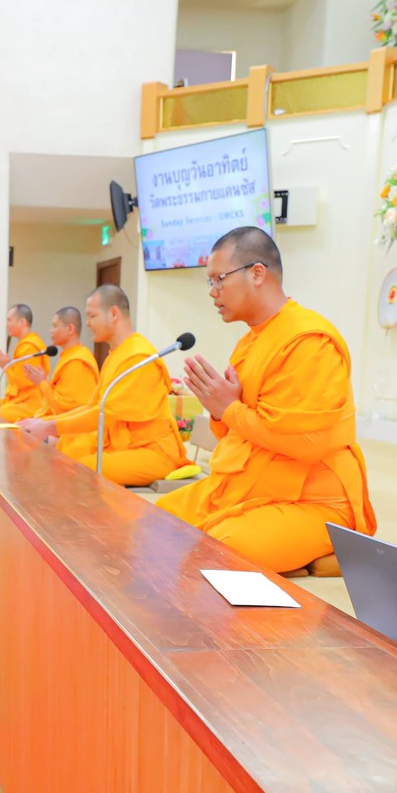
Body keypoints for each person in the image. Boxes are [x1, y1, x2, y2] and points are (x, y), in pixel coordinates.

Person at [159, 228, 377, 573]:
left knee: (217, 551)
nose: (213, 293)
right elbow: (236, 438)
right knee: (155, 523)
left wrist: (228, 408)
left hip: (311, 499)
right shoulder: (249, 343)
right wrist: (222, 411)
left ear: (257, 273)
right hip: (248, 487)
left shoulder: (309, 340)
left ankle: (332, 544)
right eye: (209, 282)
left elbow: (302, 443)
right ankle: (290, 555)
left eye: (219, 280)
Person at [18, 286, 187, 487]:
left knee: (77, 468)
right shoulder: (116, 354)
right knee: (68, 449)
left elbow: (105, 414)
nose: (87, 323)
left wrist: (48, 427)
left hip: (152, 451)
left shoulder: (139, 357)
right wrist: (44, 422)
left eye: (92, 316)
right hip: (120, 445)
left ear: (114, 313)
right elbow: (92, 406)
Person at [25, 305, 99, 415]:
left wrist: (42, 383)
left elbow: (66, 408)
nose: (51, 331)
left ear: (70, 329)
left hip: (75, 430)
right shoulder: (68, 356)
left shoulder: (77, 362)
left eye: (55, 326)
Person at [0, 304, 49, 422]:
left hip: (32, 402)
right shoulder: (24, 344)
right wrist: (7, 365)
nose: (7, 324)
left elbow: (22, 381)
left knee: (0, 414)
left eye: (9, 320)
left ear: (22, 322)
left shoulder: (30, 347)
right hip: (21, 399)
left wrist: (5, 366)